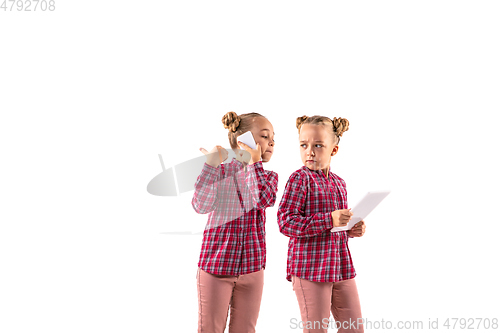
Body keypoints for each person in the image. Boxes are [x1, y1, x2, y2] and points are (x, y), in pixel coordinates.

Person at [277, 115, 366, 333]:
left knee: (354, 328)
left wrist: (351, 229)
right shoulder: (299, 179)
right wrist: (330, 219)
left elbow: (336, 228)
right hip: (310, 269)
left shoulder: (339, 183)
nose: (309, 151)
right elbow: (286, 222)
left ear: (333, 150)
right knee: (316, 329)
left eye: (318, 145)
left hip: (340, 266)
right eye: (304, 145)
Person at [192, 111, 278, 333]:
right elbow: (200, 206)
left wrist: (254, 164)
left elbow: (263, 199)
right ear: (245, 140)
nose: (272, 143)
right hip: (216, 268)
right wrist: (210, 166)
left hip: (252, 270)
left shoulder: (268, 177)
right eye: (265, 136)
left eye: (273, 138)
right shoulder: (220, 169)